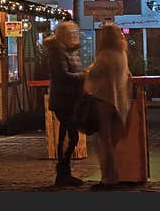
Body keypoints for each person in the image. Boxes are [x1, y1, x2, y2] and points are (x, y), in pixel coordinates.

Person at [84, 24, 132, 190]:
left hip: (104, 101)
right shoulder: (121, 55)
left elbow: (91, 74)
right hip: (119, 102)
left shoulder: (105, 55)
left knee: (104, 142)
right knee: (112, 140)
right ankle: (114, 176)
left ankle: (108, 178)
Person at [44, 21, 86, 186]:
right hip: (63, 100)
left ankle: (63, 173)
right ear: (64, 35)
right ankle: (62, 170)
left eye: (76, 32)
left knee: (64, 135)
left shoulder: (68, 51)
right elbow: (62, 75)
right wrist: (84, 75)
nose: (75, 35)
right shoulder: (58, 52)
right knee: (73, 136)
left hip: (69, 99)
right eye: (72, 33)